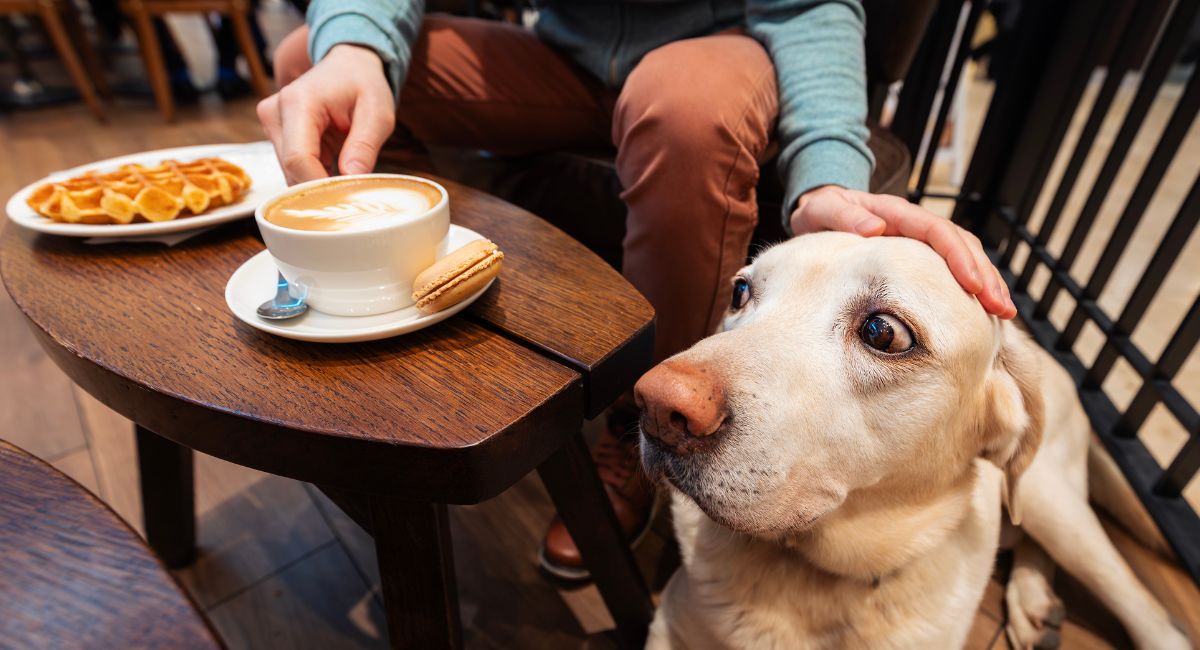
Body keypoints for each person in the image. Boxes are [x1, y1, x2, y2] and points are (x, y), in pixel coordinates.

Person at [256, 0, 1017, 581]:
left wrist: (829, 188)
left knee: (682, 107)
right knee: (311, 55)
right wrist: (355, 40)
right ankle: (417, 343)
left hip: (723, 50)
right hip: (564, 53)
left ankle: (632, 428)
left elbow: (805, 6)